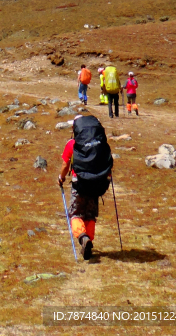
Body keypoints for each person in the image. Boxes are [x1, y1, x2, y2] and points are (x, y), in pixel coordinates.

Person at [58, 110, 113, 260]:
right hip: (96, 183)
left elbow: (65, 165)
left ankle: (83, 238)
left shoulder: (72, 144)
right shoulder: (99, 143)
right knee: (90, 215)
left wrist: (61, 178)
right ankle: (88, 239)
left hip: (79, 184)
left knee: (75, 214)